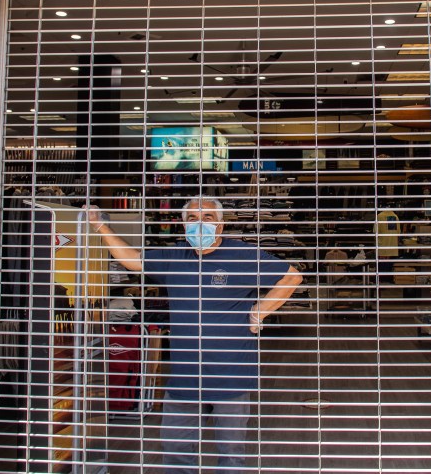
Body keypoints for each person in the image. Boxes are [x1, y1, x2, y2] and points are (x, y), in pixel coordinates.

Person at [87, 196, 303, 474]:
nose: (199, 225)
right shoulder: (175, 257)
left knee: (231, 456)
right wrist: (100, 226)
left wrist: (258, 313)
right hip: (184, 378)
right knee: (176, 451)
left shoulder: (243, 256)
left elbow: (292, 277)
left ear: (221, 226)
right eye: (192, 219)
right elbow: (132, 261)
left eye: (208, 218)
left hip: (231, 376)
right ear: (183, 224)